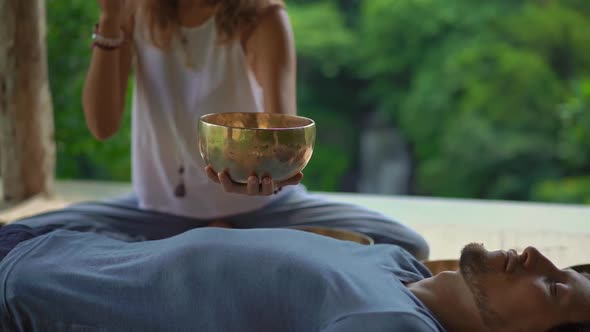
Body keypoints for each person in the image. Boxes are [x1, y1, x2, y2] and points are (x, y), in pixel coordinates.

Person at [33, 0, 431, 259]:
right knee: (29, 234)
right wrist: (109, 21)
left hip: (260, 211)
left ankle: (195, 251)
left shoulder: (262, 17)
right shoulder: (135, 11)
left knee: (404, 243)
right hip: (155, 212)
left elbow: (282, 146)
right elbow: (102, 125)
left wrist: (268, 179)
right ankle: (218, 251)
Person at [0, 225, 587, 331]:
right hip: (56, 246)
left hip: (23, 295)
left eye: (553, 288)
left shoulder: (392, 325)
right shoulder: (399, 267)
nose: (537, 254)